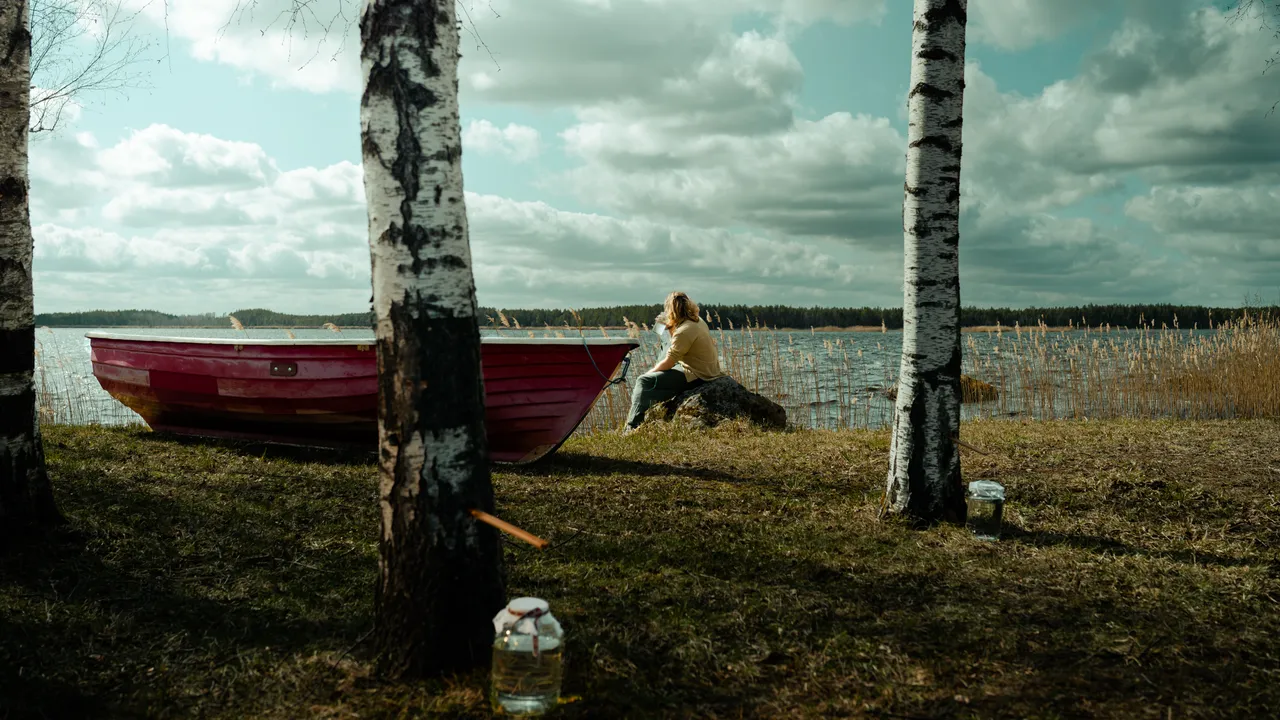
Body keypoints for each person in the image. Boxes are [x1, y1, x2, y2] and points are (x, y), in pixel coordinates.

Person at [625, 291, 725, 431]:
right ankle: (645, 407)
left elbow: (669, 362)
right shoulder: (696, 320)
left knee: (643, 381)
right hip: (706, 369)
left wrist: (650, 372)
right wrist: (664, 326)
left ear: (671, 310)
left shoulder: (684, 330)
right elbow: (671, 341)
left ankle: (631, 427)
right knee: (665, 347)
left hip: (697, 374)